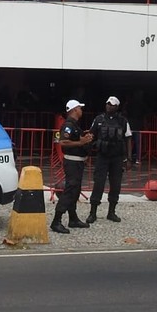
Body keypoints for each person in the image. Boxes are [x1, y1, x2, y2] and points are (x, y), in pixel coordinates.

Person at [51, 99, 94, 234]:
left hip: (78, 161)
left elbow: (75, 138)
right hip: (72, 162)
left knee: (75, 190)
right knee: (70, 190)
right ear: (75, 110)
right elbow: (63, 142)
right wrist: (81, 142)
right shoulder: (68, 125)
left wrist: (83, 136)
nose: (81, 110)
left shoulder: (75, 125)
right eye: (80, 108)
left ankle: (73, 218)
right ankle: (56, 221)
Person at [86, 96, 130, 223]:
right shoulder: (99, 119)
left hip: (117, 158)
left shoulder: (123, 121)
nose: (109, 106)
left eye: (112, 104)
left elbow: (128, 138)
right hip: (102, 157)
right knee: (98, 183)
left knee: (115, 184)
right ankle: (92, 212)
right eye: (108, 104)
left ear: (117, 107)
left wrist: (128, 159)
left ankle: (111, 212)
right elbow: (91, 135)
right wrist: (87, 153)